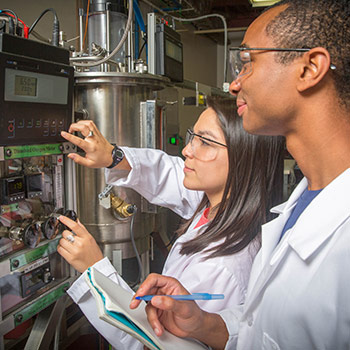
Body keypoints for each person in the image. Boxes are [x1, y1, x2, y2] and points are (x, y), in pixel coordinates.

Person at [131, 1, 350, 349]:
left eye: (247, 62)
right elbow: (261, 329)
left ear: (309, 69)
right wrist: (206, 324)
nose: (234, 84)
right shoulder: (301, 206)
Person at [57, 97, 283, 349]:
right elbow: (168, 172)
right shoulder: (220, 204)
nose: (187, 150)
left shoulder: (222, 267)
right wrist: (112, 155)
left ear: (244, 159)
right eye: (192, 137)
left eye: (205, 142)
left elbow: (156, 341)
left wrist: (94, 270)